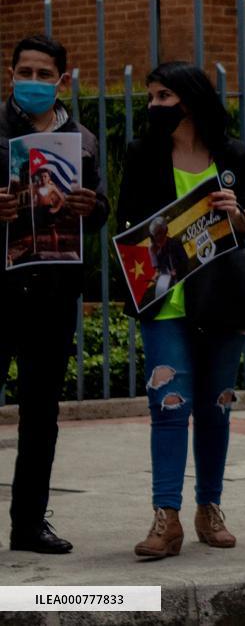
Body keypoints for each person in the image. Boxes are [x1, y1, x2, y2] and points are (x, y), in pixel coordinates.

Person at [117, 61, 245, 559]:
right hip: (164, 301)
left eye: (164, 96)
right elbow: (125, 223)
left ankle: (209, 508)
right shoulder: (142, 153)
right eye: (151, 97)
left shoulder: (233, 153)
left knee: (216, 406)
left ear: (192, 99)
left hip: (220, 299)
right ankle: (166, 517)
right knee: (170, 404)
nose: (154, 105)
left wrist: (238, 215)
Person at [0, 34, 107, 554]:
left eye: (45, 74)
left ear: (62, 80)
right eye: (25, 72)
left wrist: (92, 206)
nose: (34, 82)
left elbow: (101, 206)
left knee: (41, 414)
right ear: (11, 74)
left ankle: (28, 525)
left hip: (54, 293)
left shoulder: (81, 139)